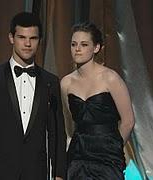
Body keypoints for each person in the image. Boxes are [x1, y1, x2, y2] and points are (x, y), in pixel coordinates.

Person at [0, 12, 66, 180]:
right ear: (11, 38)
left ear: (39, 40)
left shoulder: (50, 82)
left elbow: (56, 133)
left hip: (36, 173)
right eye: (22, 37)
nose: (28, 44)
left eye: (33, 38)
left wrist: (59, 174)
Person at [61, 22, 135, 179]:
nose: (77, 49)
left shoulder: (111, 78)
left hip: (107, 156)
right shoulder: (66, 83)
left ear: (96, 48)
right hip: (78, 154)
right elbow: (69, 124)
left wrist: (113, 147)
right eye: (74, 44)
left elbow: (128, 121)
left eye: (84, 44)